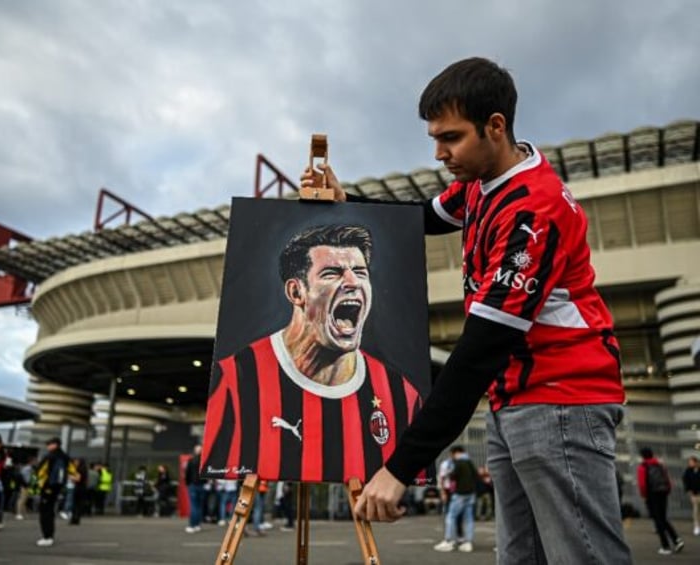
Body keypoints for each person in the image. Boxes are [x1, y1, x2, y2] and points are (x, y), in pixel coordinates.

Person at [304, 57, 632, 564]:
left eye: (451, 138)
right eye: (435, 137)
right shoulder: (480, 184)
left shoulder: (532, 212)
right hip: (514, 400)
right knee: (518, 558)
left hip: (562, 400)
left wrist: (401, 466)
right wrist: (348, 203)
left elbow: (477, 355)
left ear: (495, 126)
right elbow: (421, 219)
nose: (439, 153)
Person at [201, 224, 424, 483]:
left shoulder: (402, 394)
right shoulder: (234, 380)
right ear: (296, 292)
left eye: (361, 272)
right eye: (332, 273)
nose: (353, 282)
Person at [637, 447, 683, 554]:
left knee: (658, 520)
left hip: (652, 495)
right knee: (663, 518)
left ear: (642, 456)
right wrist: (667, 491)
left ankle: (665, 546)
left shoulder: (643, 467)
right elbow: (668, 480)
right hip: (663, 493)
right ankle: (677, 540)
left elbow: (642, 484)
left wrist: (644, 495)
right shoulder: (660, 464)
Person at [433, 445, 477, 553]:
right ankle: (467, 542)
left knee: (450, 516)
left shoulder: (458, 462)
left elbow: (452, 476)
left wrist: (448, 475)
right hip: (471, 494)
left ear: (456, 453)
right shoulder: (469, 462)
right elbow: (476, 475)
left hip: (459, 493)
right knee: (468, 519)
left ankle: (449, 540)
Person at [35, 437, 78, 547]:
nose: (48, 446)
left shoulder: (50, 457)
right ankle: (49, 535)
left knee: (45, 512)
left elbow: (40, 471)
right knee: (50, 511)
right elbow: (74, 472)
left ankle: (47, 536)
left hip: (47, 487)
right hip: (57, 488)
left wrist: (40, 484)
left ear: (55, 445)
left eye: (49, 444)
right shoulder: (65, 457)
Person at [184, 445, 206, 533]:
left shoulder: (191, 460)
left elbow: (187, 473)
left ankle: (192, 525)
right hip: (202, 485)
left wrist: (187, 483)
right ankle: (197, 525)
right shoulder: (204, 461)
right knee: (199, 506)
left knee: (194, 506)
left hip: (193, 485)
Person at [683, 455, 700, 536]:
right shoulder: (688, 470)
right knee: (695, 510)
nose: (689, 463)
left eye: (691, 462)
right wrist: (688, 490)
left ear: (696, 462)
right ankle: (696, 526)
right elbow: (685, 480)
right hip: (694, 494)